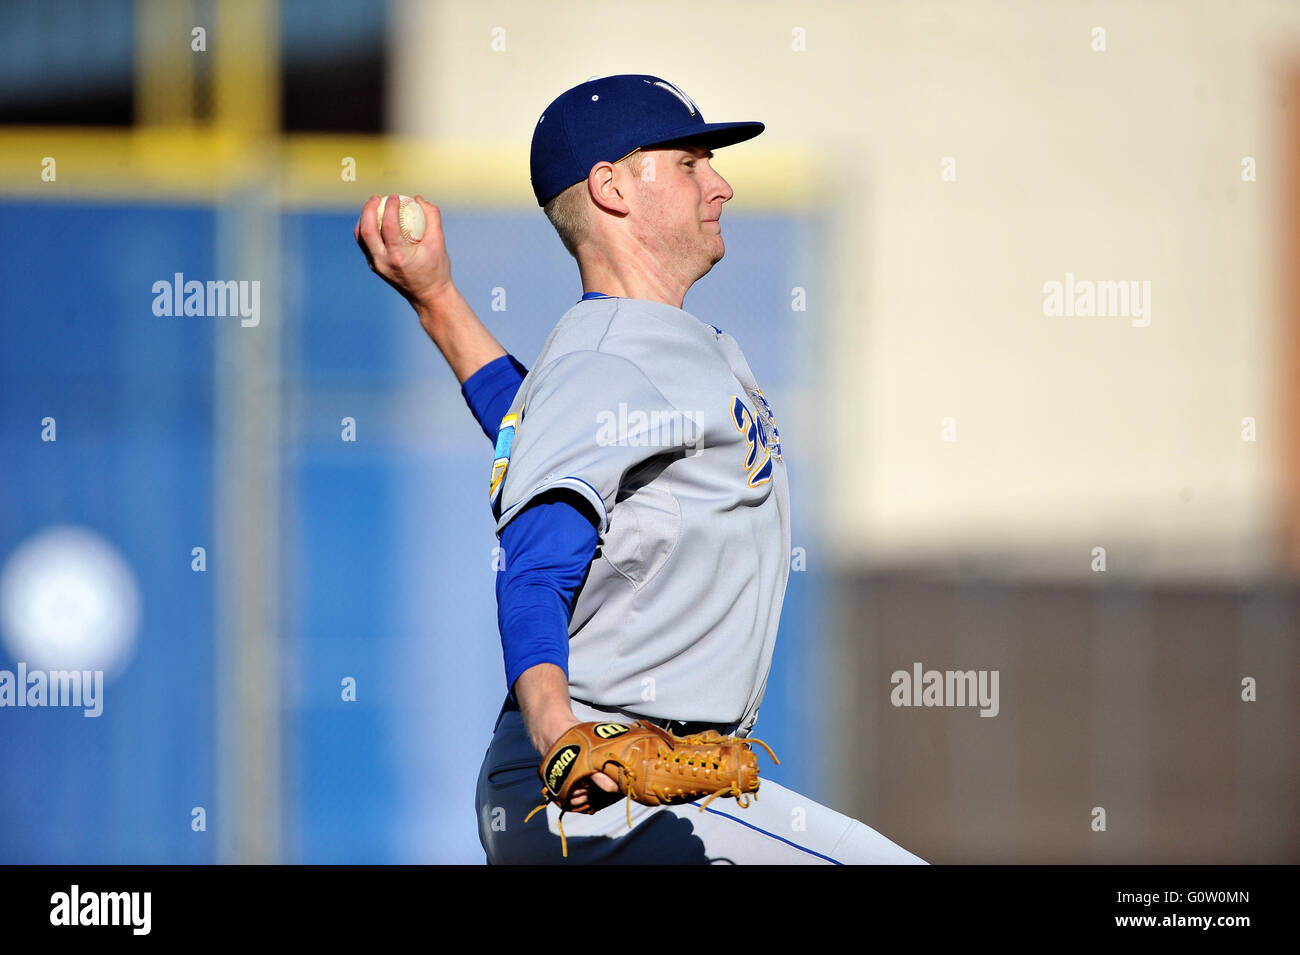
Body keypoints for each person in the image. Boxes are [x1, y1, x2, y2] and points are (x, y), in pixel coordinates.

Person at [355, 74, 925, 864]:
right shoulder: (609, 358)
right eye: (690, 163)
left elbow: (538, 432)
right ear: (611, 188)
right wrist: (561, 732)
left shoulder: (626, 356)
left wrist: (438, 301)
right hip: (599, 791)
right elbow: (532, 569)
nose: (719, 182)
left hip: (631, 793)